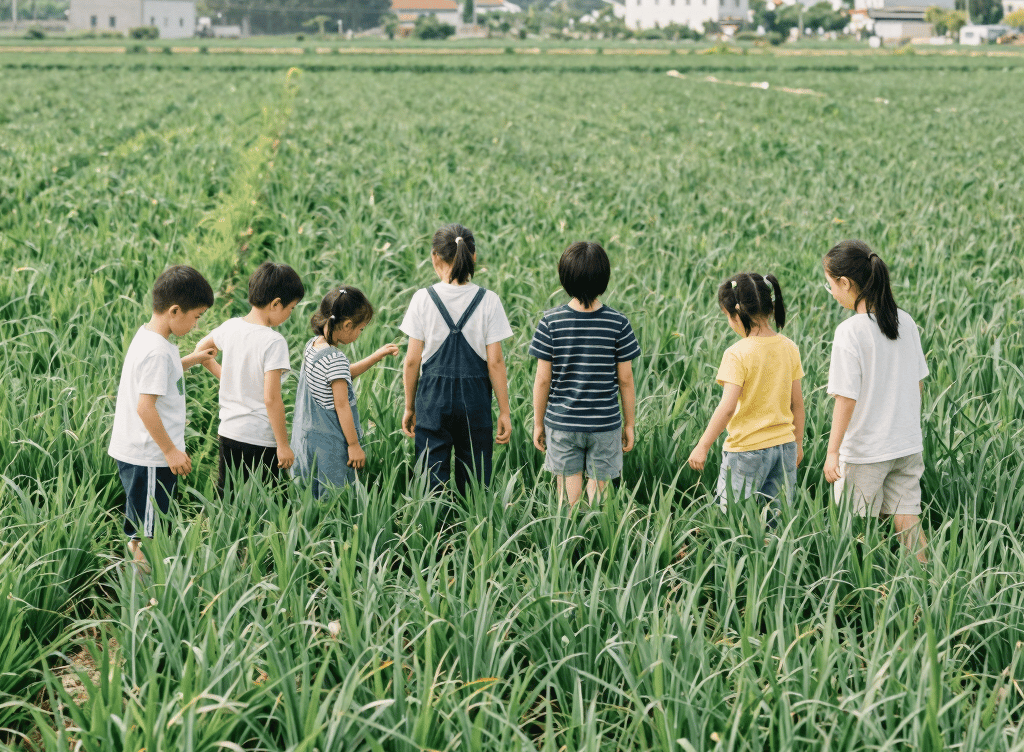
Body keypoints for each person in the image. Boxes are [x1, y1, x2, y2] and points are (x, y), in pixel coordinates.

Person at [823, 240, 929, 563]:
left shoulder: (850, 332)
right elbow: (919, 384)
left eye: (830, 286)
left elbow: (846, 399)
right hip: (906, 446)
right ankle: (929, 585)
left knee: (854, 530)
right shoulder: (904, 321)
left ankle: (861, 593)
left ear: (846, 283)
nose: (831, 293)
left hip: (867, 451)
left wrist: (832, 451)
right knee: (907, 520)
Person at [108, 265, 216, 567]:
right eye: (196, 317)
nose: (196, 325)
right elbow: (146, 406)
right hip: (151, 456)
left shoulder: (152, 337)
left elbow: (160, 375)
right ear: (175, 310)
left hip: (142, 452)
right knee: (148, 531)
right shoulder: (156, 351)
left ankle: (146, 582)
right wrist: (170, 451)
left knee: (146, 522)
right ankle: (145, 592)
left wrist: (190, 360)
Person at [400, 223, 513, 497]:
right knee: (475, 479)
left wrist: (409, 406)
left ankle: (433, 534)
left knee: (430, 479)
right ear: (473, 257)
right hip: (474, 400)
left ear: (434, 257)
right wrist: (504, 411)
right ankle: (475, 532)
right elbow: (495, 362)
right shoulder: (489, 301)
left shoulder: (422, 299)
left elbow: (412, 361)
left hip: (432, 399)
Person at [687, 273, 804, 529]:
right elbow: (798, 404)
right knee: (777, 522)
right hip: (784, 447)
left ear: (737, 314)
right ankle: (773, 565)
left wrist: (702, 446)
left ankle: (738, 565)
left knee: (733, 521)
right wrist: (798, 443)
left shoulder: (737, 354)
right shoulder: (789, 347)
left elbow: (727, 407)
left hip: (746, 451)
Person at [530, 241, 640, 507]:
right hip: (605, 424)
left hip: (563, 423)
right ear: (604, 278)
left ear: (565, 279)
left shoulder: (550, 323)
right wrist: (629, 424)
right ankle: (597, 541)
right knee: (599, 497)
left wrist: (538, 423)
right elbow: (625, 380)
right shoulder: (618, 323)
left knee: (567, 499)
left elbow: (543, 380)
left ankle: (567, 544)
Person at [193, 261, 305, 497]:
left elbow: (201, 350)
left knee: (229, 497)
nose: (290, 314)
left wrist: (228, 378)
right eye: (291, 308)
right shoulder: (274, 342)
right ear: (276, 304)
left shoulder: (231, 327)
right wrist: (283, 446)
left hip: (229, 431)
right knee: (270, 502)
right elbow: (272, 399)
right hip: (259, 437)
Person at [292, 286, 399, 498]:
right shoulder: (336, 359)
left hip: (306, 437)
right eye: (361, 329)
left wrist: (376, 356)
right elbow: (341, 405)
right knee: (335, 499)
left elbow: (339, 378)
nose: (360, 334)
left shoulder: (313, 345)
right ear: (348, 325)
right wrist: (354, 446)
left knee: (309, 496)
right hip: (329, 445)